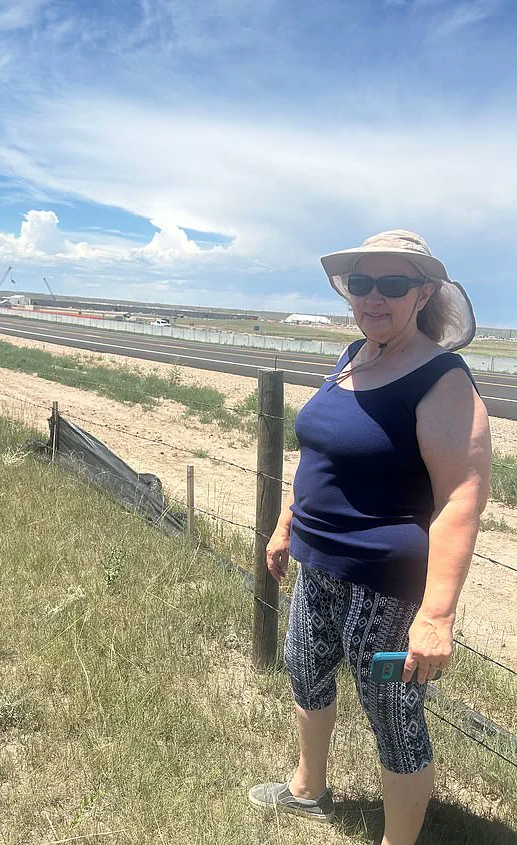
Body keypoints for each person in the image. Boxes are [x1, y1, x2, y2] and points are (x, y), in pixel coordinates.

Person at [248, 230, 492, 845]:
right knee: (305, 670)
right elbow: (322, 455)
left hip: (386, 584)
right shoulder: (355, 354)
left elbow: (462, 498)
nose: (374, 298)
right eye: (361, 283)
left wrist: (437, 615)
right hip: (318, 561)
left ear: (424, 294)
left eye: (392, 284)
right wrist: (286, 524)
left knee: (391, 712)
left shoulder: (442, 378)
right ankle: (308, 789)